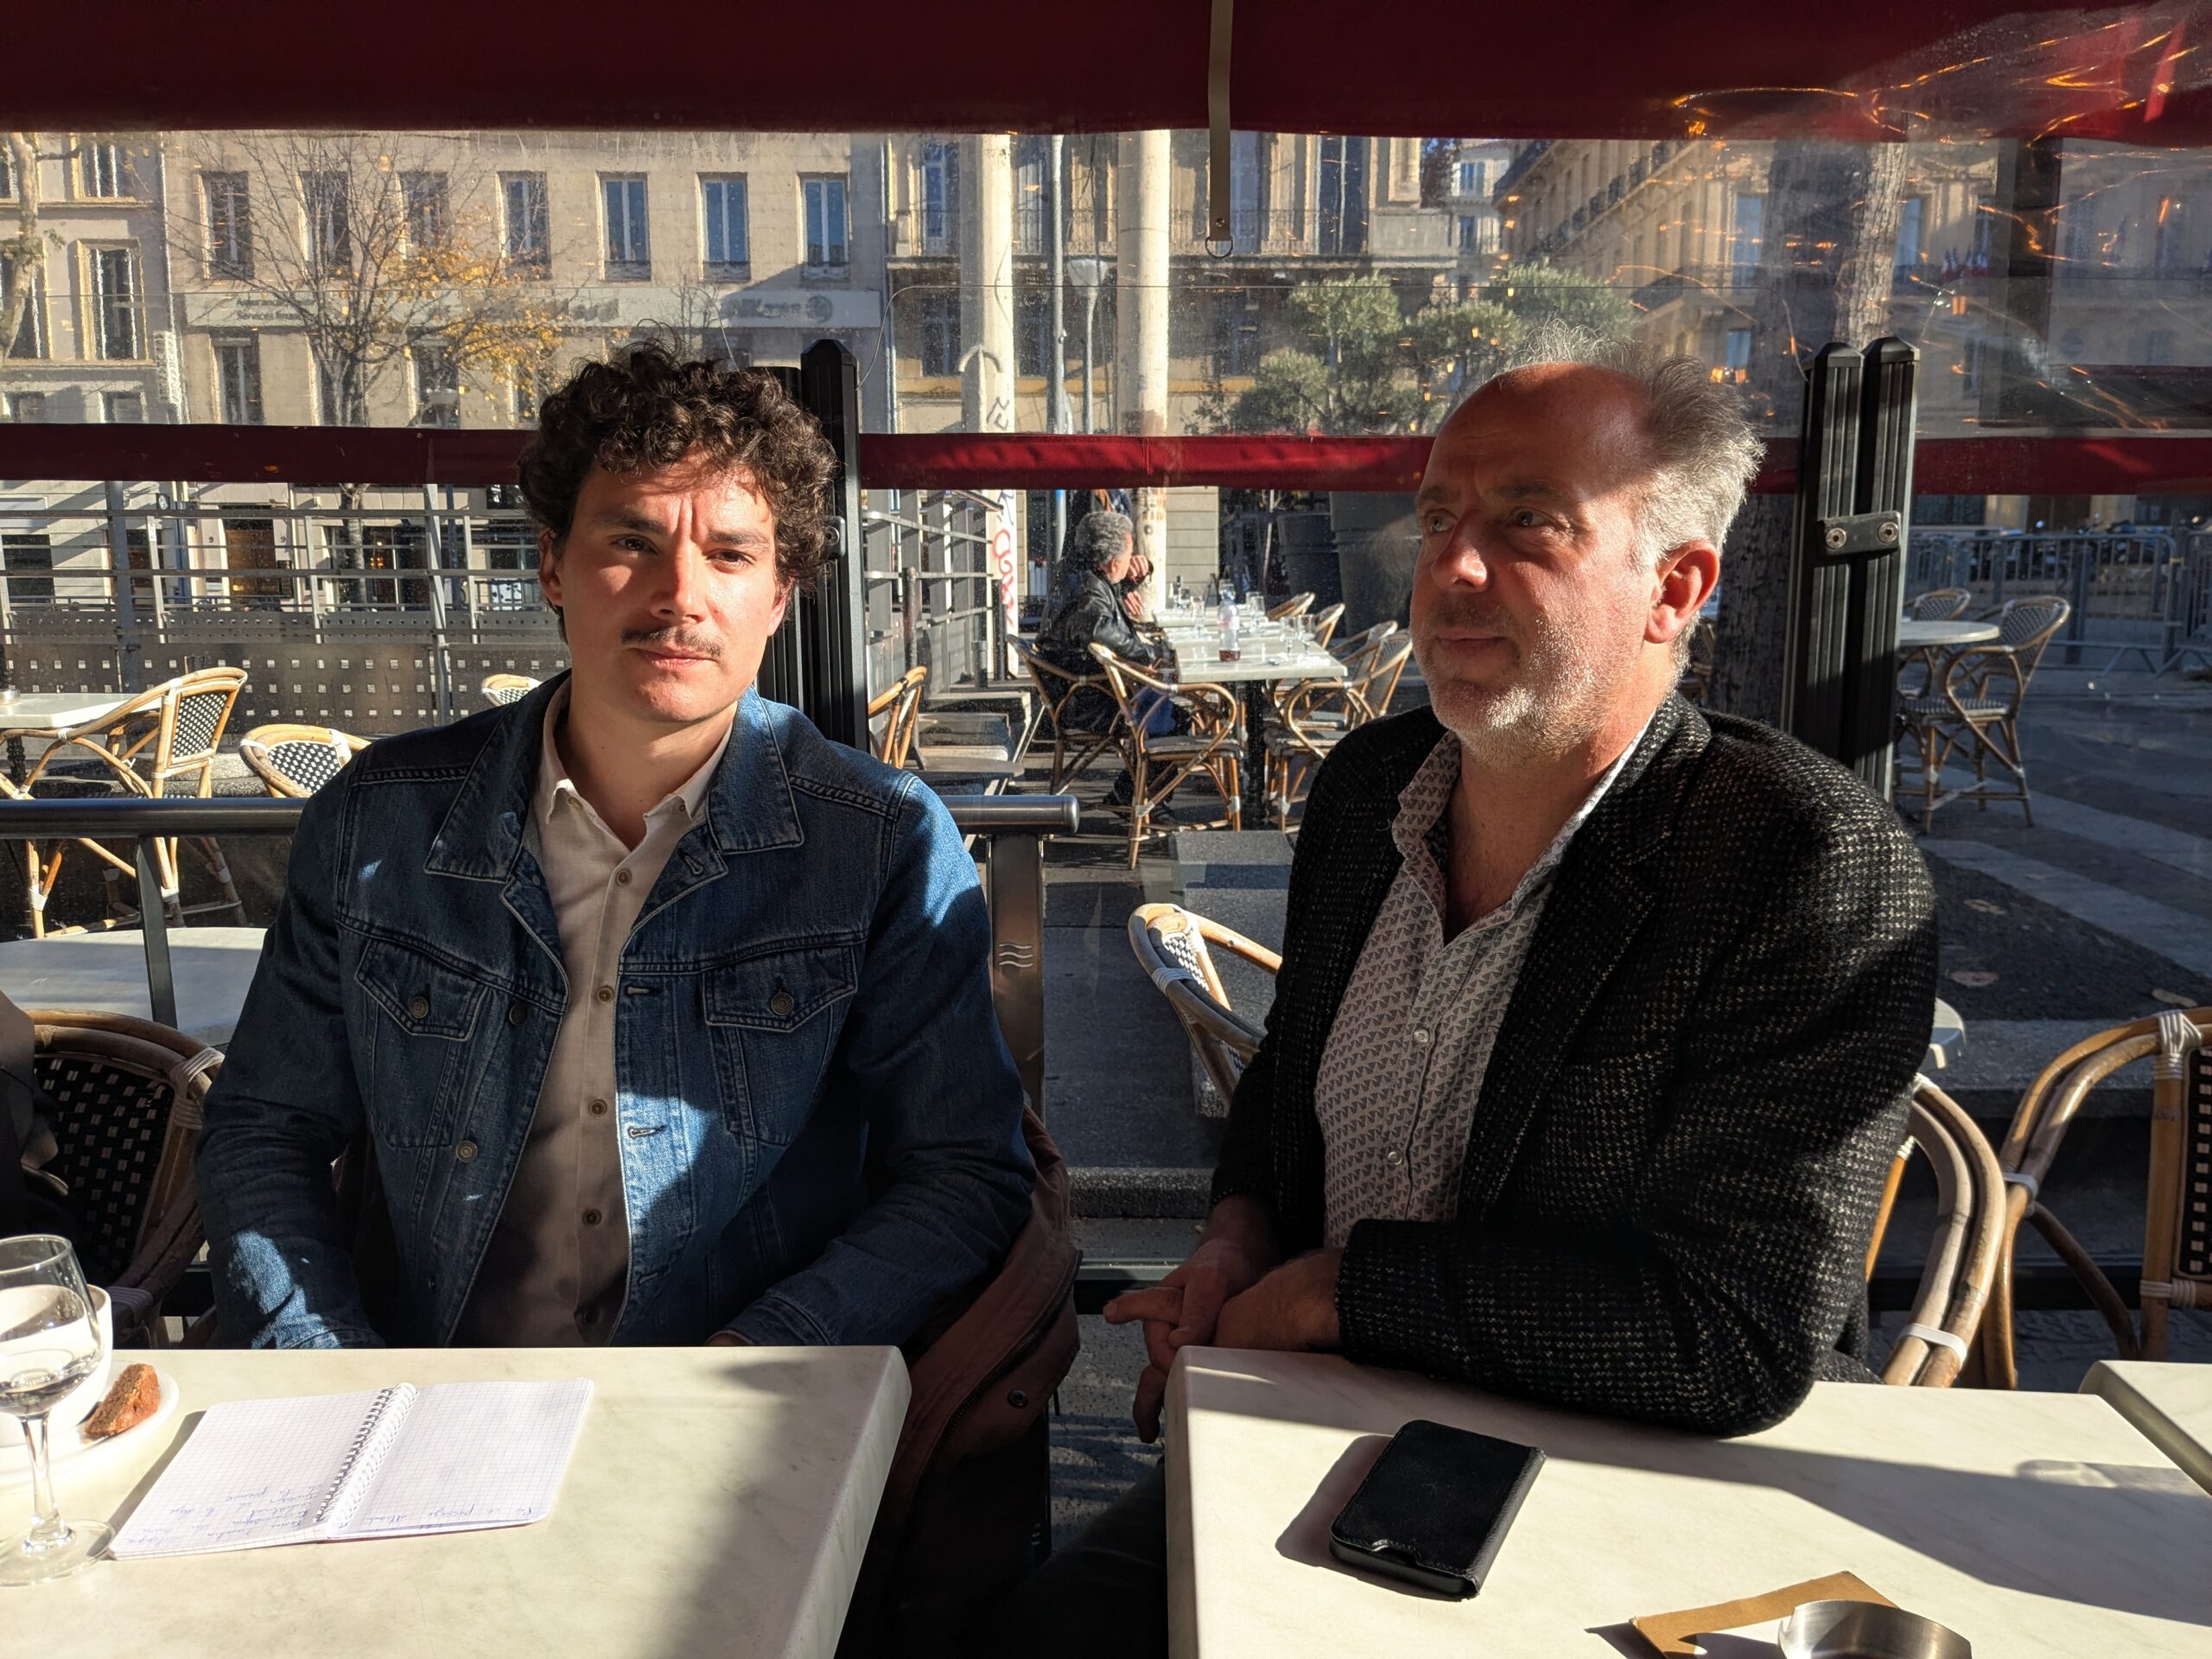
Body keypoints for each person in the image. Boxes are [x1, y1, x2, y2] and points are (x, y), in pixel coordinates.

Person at [992, 327, 1938, 1653]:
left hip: (1623, 1518)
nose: (1451, 568)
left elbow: (1736, 1331)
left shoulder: (1802, 864)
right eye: (1437, 516)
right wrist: (1239, 1240)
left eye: (1529, 523)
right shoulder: (1371, 789)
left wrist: (1331, 1295)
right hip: (1316, 1459)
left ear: (1676, 586)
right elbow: (1283, 1082)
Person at [196, 345, 1033, 1349]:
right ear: (552, 564)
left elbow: (965, 1174)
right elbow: (264, 1132)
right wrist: (324, 1365)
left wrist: (743, 1372)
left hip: (730, 1416)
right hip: (427, 1395)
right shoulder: (379, 821)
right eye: (632, 540)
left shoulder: (878, 842)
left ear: (779, 595)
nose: (680, 593)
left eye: (729, 555)